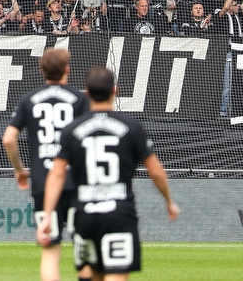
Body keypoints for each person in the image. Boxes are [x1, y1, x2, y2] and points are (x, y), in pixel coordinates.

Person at [38, 67, 180, 280]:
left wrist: (48, 215)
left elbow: (57, 174)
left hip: (84, 213)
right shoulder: (131, 127)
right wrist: (169, 201)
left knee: (92, 274)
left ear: (86, 92)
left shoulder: (71, 130)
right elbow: (156, 171)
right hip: (119, 214)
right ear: (115, 90)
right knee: (116, 274)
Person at [3, 49, 91, 281]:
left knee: (50, 250)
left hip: (43, 183)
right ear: (67, 70)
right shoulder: (79, 99)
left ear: (42, 70)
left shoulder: (28, 100)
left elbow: (9, 139)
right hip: (77, 183)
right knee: (83, 247)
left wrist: (20, 170)